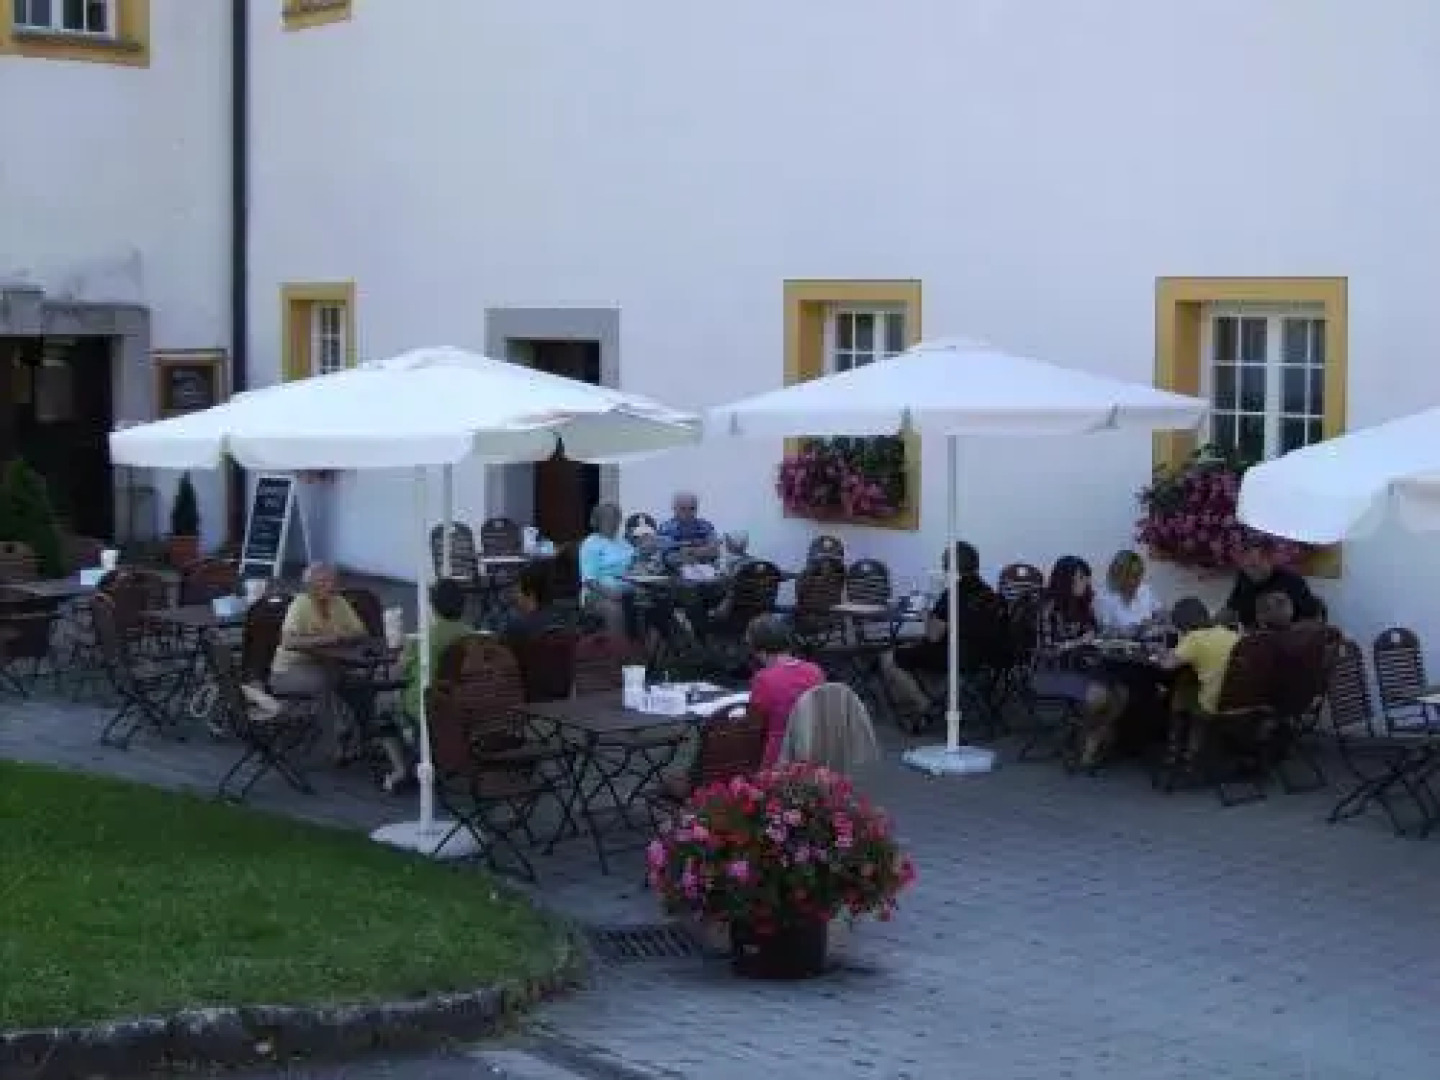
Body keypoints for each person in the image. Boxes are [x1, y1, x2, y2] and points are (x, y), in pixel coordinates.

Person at [881, 541, 1008, 717]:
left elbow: (933, 635)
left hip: (957, 658)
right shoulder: (990, 594)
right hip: (987, 658)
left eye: (945, 559)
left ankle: (923, 704)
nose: (942, 561)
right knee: (915, 648)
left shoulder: (952, 595)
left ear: (952, 565)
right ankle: (936, 696)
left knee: (889, 657)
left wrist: (926, 615)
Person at [270, 563, 377, 762]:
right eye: (322, 582)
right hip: (290, 670)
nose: (329, 586)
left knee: (360, 686)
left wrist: (342, 636)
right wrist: (327, 639)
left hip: (328, 664)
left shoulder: (338, 602)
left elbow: (361, 632)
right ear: (309, 585)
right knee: (325, 683)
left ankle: (365, 739)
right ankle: (333, 744)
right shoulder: (301, 604)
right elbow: (287, 641)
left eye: (331, 581)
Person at [1031, 555, 1128, 767]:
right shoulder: (1049, 608)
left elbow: (1092, 634)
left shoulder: (1083, 604)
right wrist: (1077, 642)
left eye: (1087, 578)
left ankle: (1092, 737)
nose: (1086, 583)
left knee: (1122, 693)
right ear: (1066, 580)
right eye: (1081, 578)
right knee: (1099, 696)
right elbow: (1046, 650)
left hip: (1082, 667)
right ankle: (1086, 740)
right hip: (1051, 671)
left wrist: (1103, 636)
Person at [391, 578, 474, 792]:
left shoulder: (423, 639)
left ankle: (400, 768)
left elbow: (397, 673)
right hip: (459, 703)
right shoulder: (473, 636)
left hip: (424, 705)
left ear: (433, 605)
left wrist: (402, 654)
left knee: (384, 709)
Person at [1158, 596, 1242, 760]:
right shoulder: (1230, 634)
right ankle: (1192, 752)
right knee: (1191, 684)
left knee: (1181, 691)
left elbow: (1166, 665)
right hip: (1237, 700)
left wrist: (1162, 653)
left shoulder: (1194, 639)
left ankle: (1174, 747)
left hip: (1211, 703)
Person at [746, 615, 825, 767]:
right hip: (814, 748)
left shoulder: (763, 679)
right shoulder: (815, 670)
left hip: (779, 756)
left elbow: (754, 725)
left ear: (759, 651)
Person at [1220, 542, 1321, 630]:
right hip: (1251, 637)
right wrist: (1209, 627)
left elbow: (1312, 620)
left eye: (1254, 566)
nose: (1250, 572)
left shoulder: (1292, 581)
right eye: (1246, 567)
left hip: (1285, 638)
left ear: (1269, 560)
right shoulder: (1244, 578)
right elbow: (1230, 608)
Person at [578, 502, 639, 638]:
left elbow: (635, 563)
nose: (613, 523)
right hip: (597, 592)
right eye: (608, 519)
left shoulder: (623, 542)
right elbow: (589, 580)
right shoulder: (590, 544)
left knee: (657, 603)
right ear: (597, 521)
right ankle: (620, 652)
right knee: (614, 609)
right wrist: (609, 592)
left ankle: (650, 652)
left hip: (628, 590)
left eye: (616, 519)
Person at [1095, 549, 1162, 633]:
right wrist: (1126, 631)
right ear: (1118, 575)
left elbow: (1161, 613)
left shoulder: (1145, 589)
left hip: (1150, 641)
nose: (1138, 580)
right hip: (1121, 644)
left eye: (1140, 574)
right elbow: (1103, 631)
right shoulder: (1104, 598)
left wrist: (1154, 622)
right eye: (1133, 576)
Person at [502, 561, 565, 644]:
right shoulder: (561, 620)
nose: (514, 596)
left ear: (530, 594)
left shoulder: (517, 626)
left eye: (517, 591)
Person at [658, 490, 719, 563]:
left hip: (706, 568)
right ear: (674, 508)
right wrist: (699, 550)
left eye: (692, 508)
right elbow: (667, 549)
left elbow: (714, 548)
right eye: (683, 509)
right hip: (674, 571)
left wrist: (692, 551)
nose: (688, 512)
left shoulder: (706, 526)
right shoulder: (666, 527)